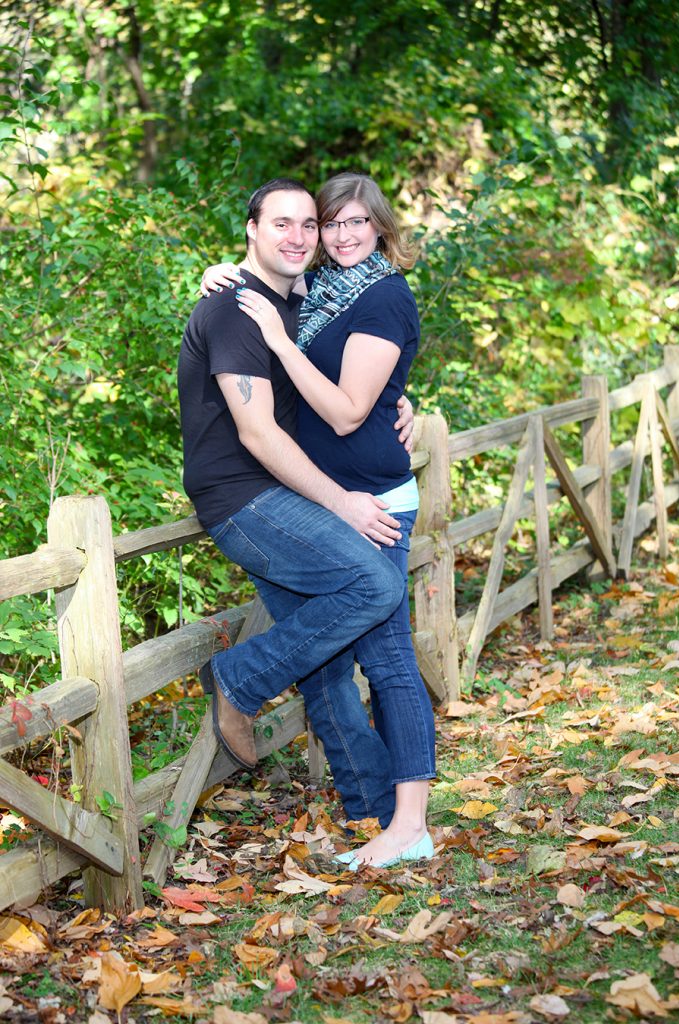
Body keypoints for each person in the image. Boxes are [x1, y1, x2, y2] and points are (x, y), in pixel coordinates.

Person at [200, 172, 436, 869]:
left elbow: (344, 408)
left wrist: (277, 340)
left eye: (351, 222)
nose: (334, 235)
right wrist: (222, 274)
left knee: (387, 654)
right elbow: (264, 291)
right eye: (327, 222)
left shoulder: (380, 294)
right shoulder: (319, 295)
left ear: (380, 226)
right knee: (336, 658)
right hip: (330, 495)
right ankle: (373, 809)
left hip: (370, 500)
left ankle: (411, 823)